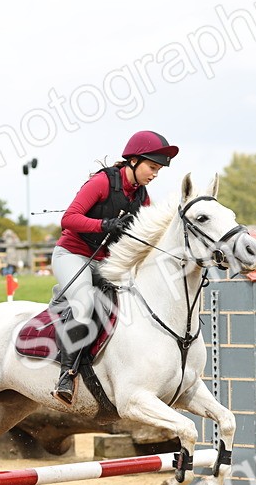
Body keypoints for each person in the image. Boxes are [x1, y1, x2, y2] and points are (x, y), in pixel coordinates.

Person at [49, 130, 179, 404]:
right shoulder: (102, 182)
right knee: (85, 304)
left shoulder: (142, 197)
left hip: (103, 262)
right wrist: (104, 225)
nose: (155, 174)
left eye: (158, 170)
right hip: (72, 254)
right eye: (152, 167)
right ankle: (66, 375)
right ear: (133, 160)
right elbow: (68, 219)